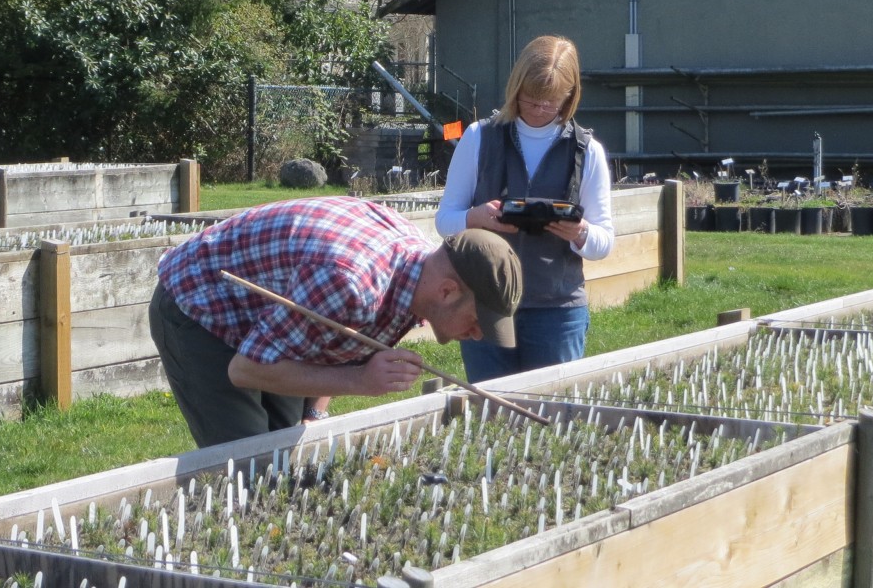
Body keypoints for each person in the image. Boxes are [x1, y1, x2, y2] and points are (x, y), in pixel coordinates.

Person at [148, 195, 522, 448]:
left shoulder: (417, 273)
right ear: (446, 292)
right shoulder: (351, 283)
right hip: (201, 303)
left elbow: (336, 337)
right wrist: (360, 380)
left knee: (288, 447)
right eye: (476, 322)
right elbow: (246, 369)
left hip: (279, 319)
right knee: (249, 463)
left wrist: (315, 412)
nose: (476, 335)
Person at [435, 34, 614, 383]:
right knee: (492, 417)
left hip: (557, 310)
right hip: (484, 305)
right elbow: (445, 221)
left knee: (554, 418)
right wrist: (475, 218)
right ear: (515, 88)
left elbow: (605, 241)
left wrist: (579, 233)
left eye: (551, 103)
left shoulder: (587, 151)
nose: (539, 110)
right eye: (531, 100)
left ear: (570, 96)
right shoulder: (478, 137)